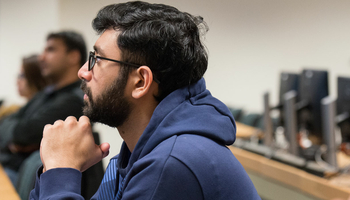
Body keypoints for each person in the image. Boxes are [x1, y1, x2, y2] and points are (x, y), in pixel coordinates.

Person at [30, 1, 260, 200]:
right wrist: (54, 169)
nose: (83, 72)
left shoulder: (172, 162)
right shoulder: (141, 153)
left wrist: (61, 170)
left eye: (97, 59)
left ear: (141, 81)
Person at [0, 31, 86, 186]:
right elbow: (7, 124)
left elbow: (24, 134)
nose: (41, 57)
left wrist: (17, 134)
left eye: (51, 50)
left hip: (23, 178)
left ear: (73, 56)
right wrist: (15, 136)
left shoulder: (74, 100)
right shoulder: (45, 94)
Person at [0, 55, 47, 120]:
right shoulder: (17, 109)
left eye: (22, 76)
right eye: (18, 76)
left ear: (36, 77)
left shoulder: (42, 111)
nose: (18, 81)